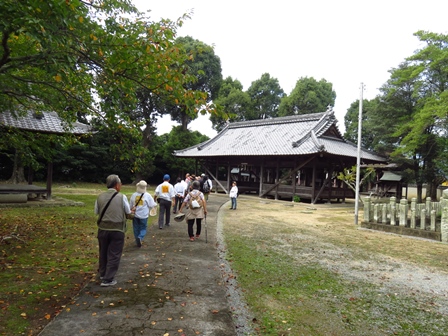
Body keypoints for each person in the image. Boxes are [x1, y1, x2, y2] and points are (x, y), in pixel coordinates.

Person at [94, 174, 132, 287]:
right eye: (120, 184)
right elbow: (128, 213)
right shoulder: (122, 197)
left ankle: (103, 273)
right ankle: (108, 279)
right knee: (114, 253)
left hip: (103, 228)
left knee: (103, 252)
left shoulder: (99, 196)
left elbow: (96, 211)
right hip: (117, 229)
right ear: (116, 185)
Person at [129, 180, 156, 247]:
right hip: (144, 215)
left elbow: (130, 205)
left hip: (135, 215)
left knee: (136, 228)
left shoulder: (134, 195)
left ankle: (137, 239)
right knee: (143, 228)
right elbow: (151, 205)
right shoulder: (147, 195)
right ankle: (140, 237)